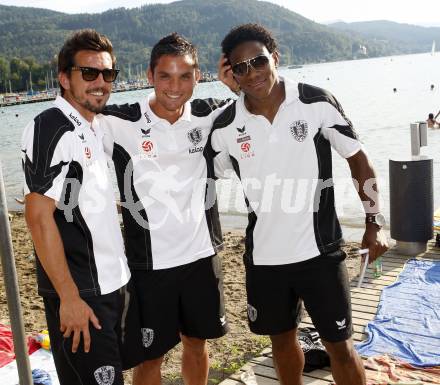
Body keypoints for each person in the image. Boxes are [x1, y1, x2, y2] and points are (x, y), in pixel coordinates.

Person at [211, 24, 389, 385]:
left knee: (339, 346)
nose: (252, 73)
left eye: (258, 61)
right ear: (230, 73)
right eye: (240, 67)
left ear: (275, 58)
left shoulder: (314, 101)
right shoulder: (225, 125)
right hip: (265, 260)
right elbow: (200, 178)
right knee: (282, 343)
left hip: (320, 253)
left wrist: (374, 223)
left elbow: (358, 160)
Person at [96, 33, 237, 385]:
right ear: (149, 76)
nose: (175, 87)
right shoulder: (118, 121)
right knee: (150, 358)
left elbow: (259, 103)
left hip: (202, 257)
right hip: (149, 266)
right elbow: (74, 114)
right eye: (165, 76)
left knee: (196, 343)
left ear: (198, 77)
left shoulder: (210, 113)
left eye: (185, 76)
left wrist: (235, 87)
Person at [22, 29, 142, 385]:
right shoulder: (49, 126)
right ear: (64, 78)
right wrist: (69, 298)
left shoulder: (93, 125)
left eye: (108, 74)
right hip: (81, 293)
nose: (100, 82)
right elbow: (37, 217)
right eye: (89, 73)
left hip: (113, 283)